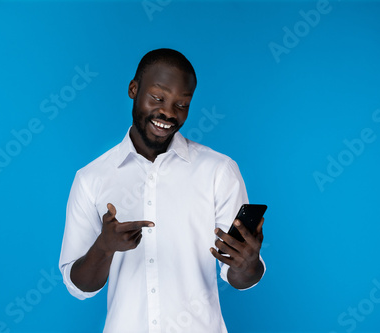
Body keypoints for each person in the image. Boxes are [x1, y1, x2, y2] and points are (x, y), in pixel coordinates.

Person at [59, 48, 265, 333]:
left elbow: (239, 276)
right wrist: (103, 248)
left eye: (182, 104)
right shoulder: (91, 178)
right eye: (158, 98)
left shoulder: (219, 171)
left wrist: (249, 263)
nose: (168, 112)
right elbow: (78, 286)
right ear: (133, 89)